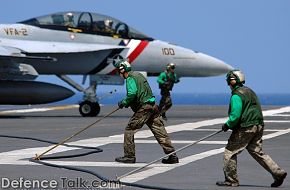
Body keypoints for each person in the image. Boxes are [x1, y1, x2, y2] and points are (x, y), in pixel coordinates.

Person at [216, 70, 287, 187]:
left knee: (230, 152)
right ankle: (278, 173)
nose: (229, 84)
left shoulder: (236, 95)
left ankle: (231, 180)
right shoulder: (250, 91)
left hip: (246, 127)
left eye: (229, 81)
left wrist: (227, 125)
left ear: (232, 81)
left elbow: (235, 116)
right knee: (257, 152)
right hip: (258, 125)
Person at [114, 59, 179, 164]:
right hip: (153, 107)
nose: (118, 74)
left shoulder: (130, 78)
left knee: (129, 129)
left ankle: (129, 156)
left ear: (122, 70)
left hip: (144, 109)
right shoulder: (138, 75)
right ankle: (172, 156)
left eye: (118, 71)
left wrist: (124, 102)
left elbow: (132, 93)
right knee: (160, 131)